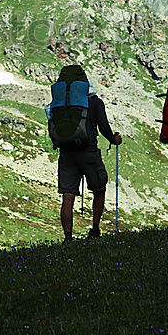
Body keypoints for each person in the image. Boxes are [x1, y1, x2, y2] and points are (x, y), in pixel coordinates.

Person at [47, 64, 122, 241]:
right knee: (99, 188)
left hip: (66, 154)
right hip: (88, 153)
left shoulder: (59, 104)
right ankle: (95, 229)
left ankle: (67, 237)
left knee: (67, 195)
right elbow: (103, 126)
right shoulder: (94, 101)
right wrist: (114, 139)